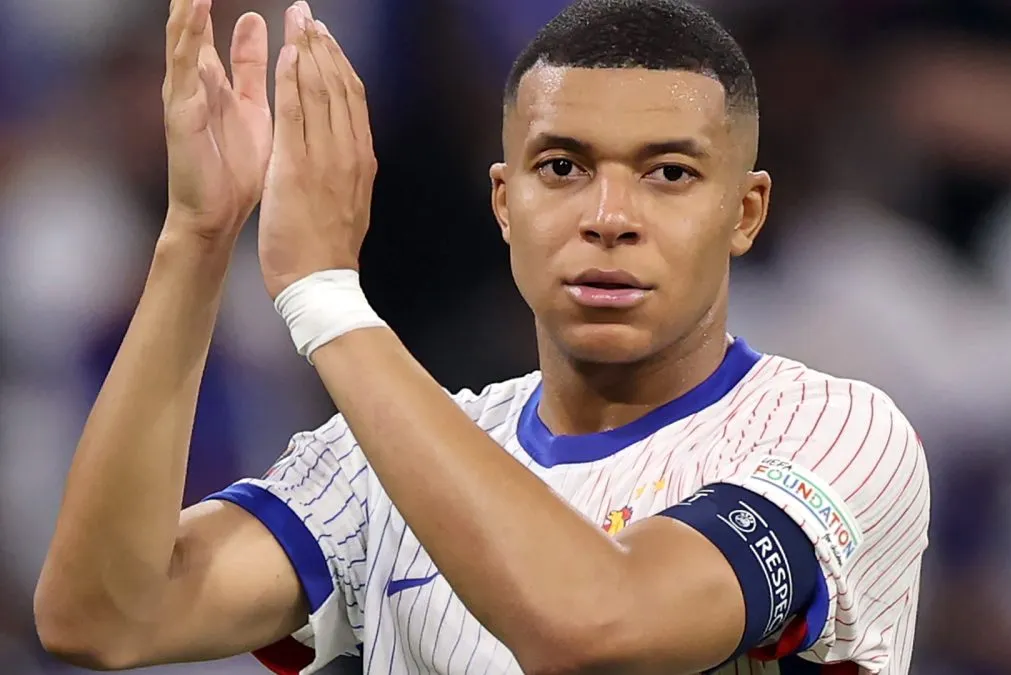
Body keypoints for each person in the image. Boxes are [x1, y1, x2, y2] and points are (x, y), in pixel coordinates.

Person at [33, 0, 930, 673]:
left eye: (668, 172)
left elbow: (598, 624)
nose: (609, 216)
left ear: (745, 211)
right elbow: (103, 616)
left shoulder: (836, 432)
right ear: (506, 202)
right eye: (562, 167)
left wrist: (327, 300)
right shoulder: (380, 462)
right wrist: (197, 236)